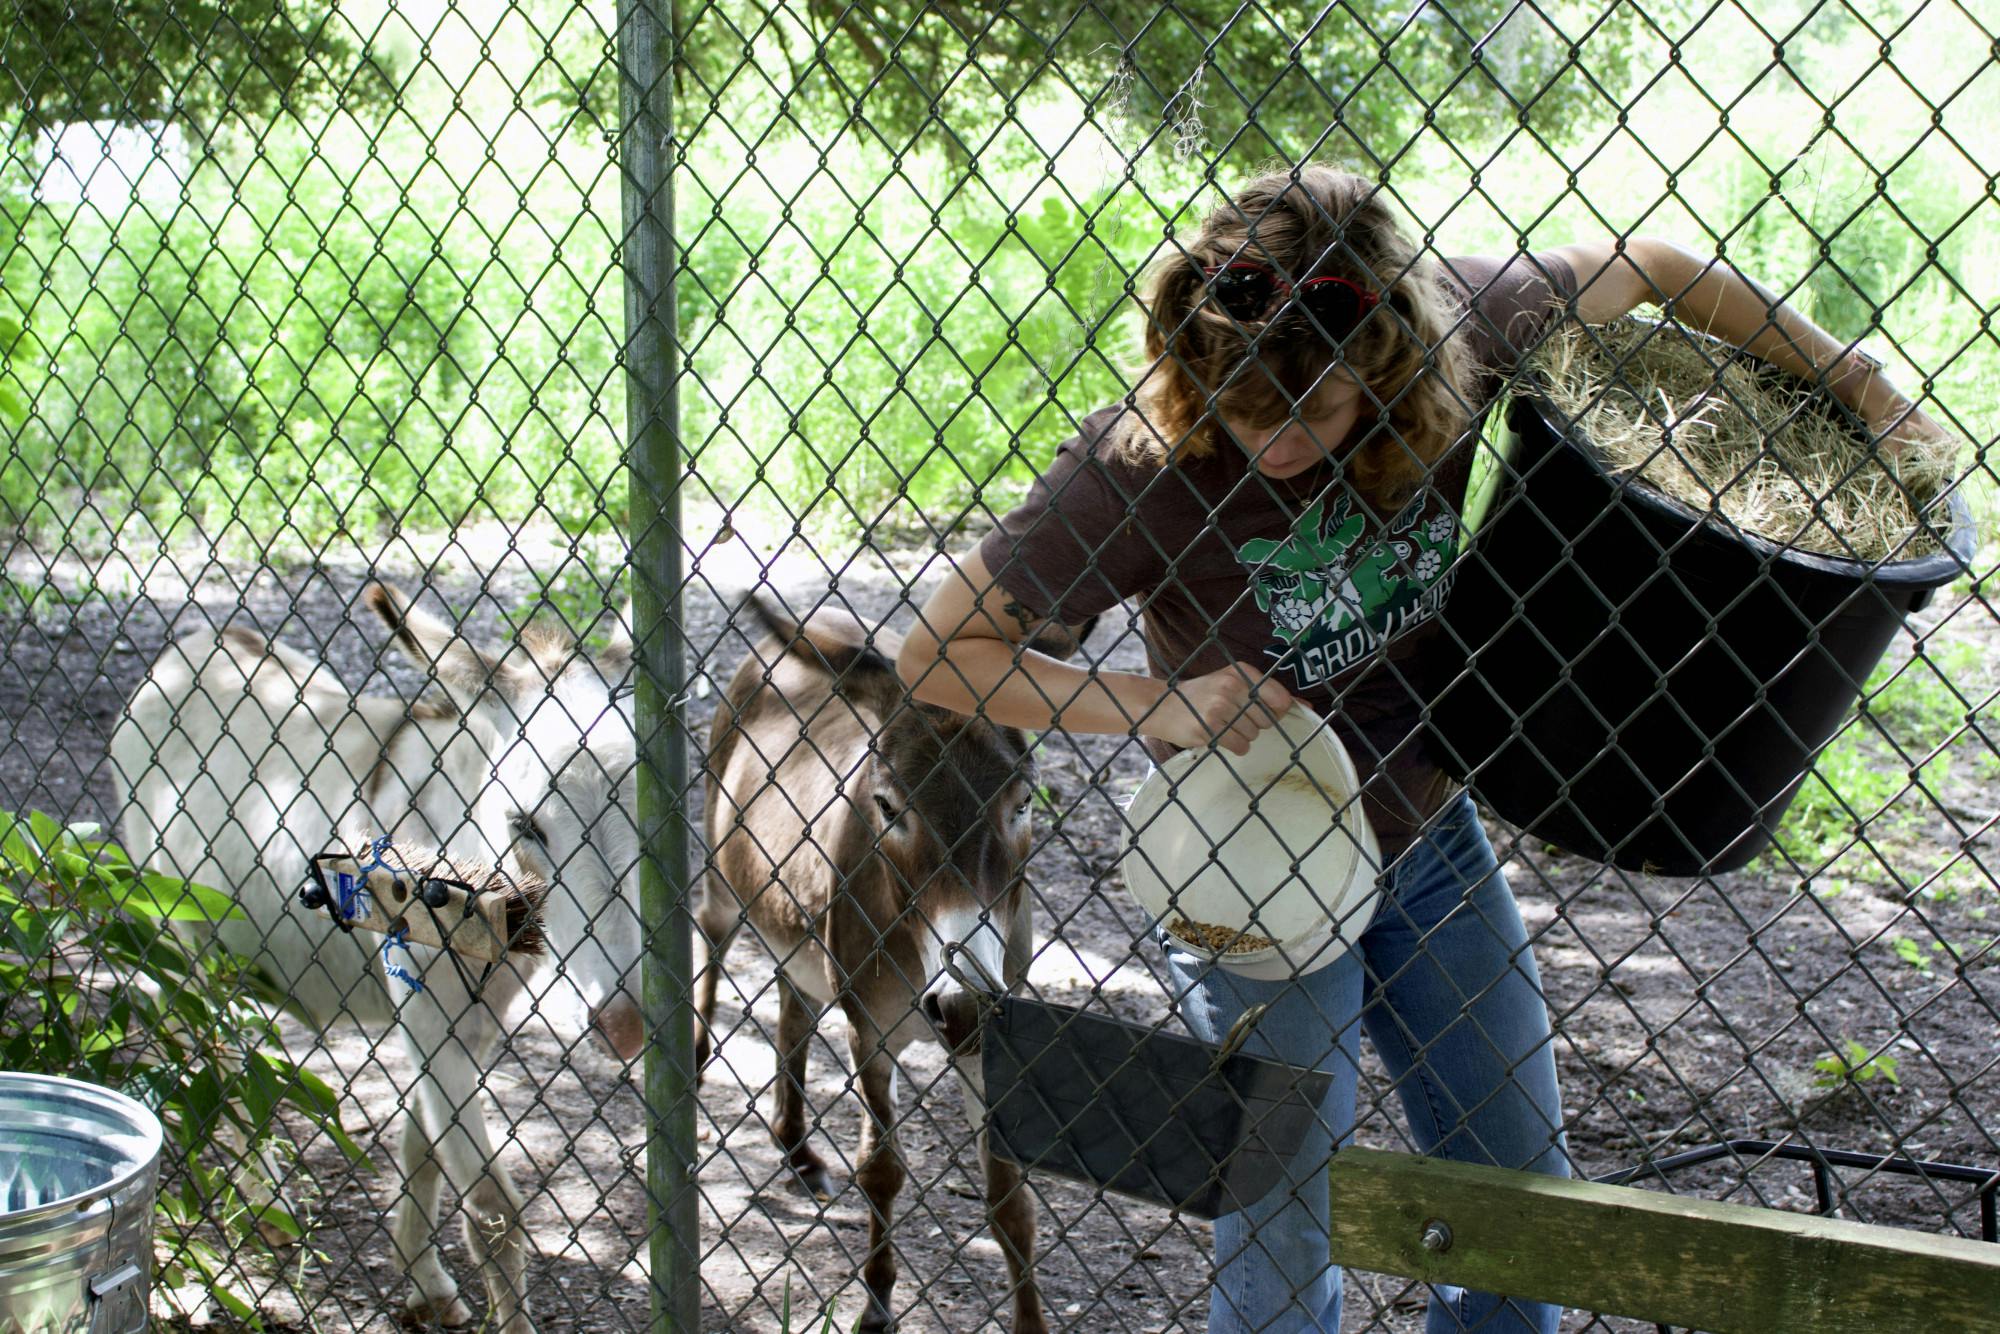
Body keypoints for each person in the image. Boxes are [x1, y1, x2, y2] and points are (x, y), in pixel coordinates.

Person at [894, 163, 1945, 1333]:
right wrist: (1154, 707)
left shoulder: (1460, 330)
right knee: (1282, 1221)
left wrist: (1855, 384)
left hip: (1427, 834)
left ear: (1385, 365)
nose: (1274, 444)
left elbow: (1654, 267)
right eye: (1242, 410)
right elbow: (937, 655)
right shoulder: (1139, 461)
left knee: (1517, 1199)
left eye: (1312, 412)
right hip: (1256, 867)